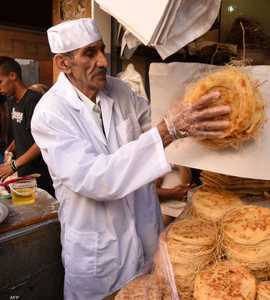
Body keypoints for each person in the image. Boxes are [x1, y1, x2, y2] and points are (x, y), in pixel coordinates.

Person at [30, 18, 231, 300]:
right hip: (100, 254)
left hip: (145, 236)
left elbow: (161, 131)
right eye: (89, 53)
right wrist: (166, 131)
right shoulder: (50, 114)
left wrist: (214, 118)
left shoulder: (120, 91)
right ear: (64, 64)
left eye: (101, 50)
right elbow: (98, 178)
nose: (102, 61)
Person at [0, 57, 54, 196]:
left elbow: (42, 141)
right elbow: (24, 131)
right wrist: (11, 148)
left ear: (13, 76)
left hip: (40, 174)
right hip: (24, 172)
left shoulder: (34, 100)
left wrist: (13, 166)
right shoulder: (12, 101)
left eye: (0, 82)